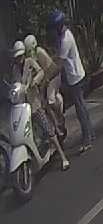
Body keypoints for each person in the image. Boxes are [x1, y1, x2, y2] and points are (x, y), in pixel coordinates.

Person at [9, 41, 70, 170]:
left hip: (34, 103)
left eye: (20, 56)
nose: (19, 59)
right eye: (17, 57)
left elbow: (41, 72)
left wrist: (35, 81)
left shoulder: (30, 62)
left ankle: (63, 157)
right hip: (22, 107)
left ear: (24, 54)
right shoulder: (14, 70)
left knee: (48, 129)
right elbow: (15, 84)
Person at [50, 10, 95, 153]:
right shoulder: (66, 34)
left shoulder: (65, 40)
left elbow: (60, 64)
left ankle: (87, 139)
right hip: (76, 74)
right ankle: (90, 133)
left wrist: (48, 76)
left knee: (80, 109)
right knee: (82, 106)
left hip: (75, 78)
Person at [24, 34, 65, 138]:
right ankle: (56, 126)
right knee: (45, 104)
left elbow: (50, 69)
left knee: (50, 101)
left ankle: (60, 116)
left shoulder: (40, 52)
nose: (30, 53)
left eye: (30, 50)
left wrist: (43, 85)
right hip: (47, 79)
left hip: (53, 77)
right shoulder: (32, 57)